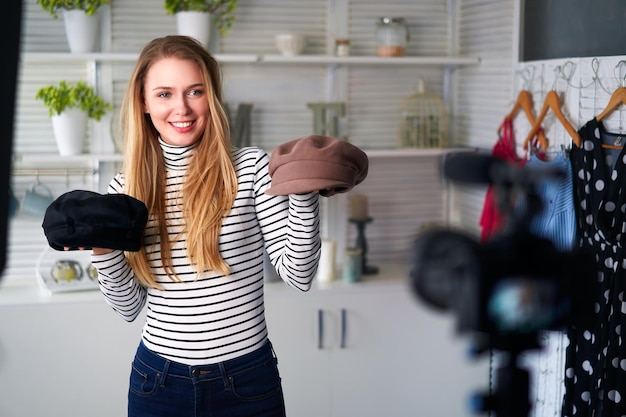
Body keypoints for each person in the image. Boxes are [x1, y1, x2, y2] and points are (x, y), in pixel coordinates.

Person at [89, 35, 321, 417]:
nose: (181, 107)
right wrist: (102, 247)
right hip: (158, 383)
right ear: (144, 103)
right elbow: (129, 307)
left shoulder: (249, 169)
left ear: (211, 97)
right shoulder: (125, 190)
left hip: (247, 382)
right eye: (164, 94)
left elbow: (299, 275)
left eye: (194, 91)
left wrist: (303, 191)